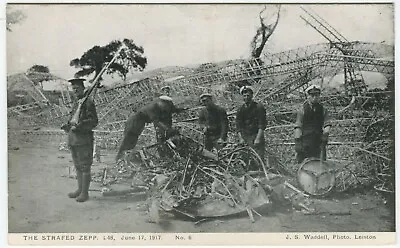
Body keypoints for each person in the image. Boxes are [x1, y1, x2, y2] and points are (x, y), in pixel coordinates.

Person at [61, 78, 98, 203]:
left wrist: (80, 125)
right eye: (74, 89)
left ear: (83, 88)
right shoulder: (77, 102)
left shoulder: (88, 103)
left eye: (77, 88)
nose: (75, 91)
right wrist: (67, 125)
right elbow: (72, 118)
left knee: (85, 166)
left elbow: (93, 121)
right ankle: (79, 189)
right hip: (74, 139)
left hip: (83, 139)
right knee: (77, 166)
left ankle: (84, 193)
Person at [116, 96, 184, 161]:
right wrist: (168, 129)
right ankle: (119, 158)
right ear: (160, 102)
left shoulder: (165, 106)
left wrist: (182, 109)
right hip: (135, 121)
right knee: (129, 139)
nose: (166, 108)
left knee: (132, 141)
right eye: (165, 106)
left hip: (141, 122)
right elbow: (156, 122)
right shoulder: (152, 107)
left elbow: (174, 109)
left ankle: (126, 158)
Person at [294, 84, 331, 164]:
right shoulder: (302, 110)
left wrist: (325, 135)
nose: (315, 97)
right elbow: (298, 126)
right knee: (304, 166)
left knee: (320, 165)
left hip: (319, 143)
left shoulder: (323, 110)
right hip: (305, 143)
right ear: (308, 96)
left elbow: (327, 124)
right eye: (312, 95)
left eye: (317, 95)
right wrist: (298, 142)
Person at [236, 85, 266, 160]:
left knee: (258, 158)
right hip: (246, 137)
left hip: (256, 135)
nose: (246, 97)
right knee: (246, 158)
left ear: (252, 95)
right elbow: (238, 126)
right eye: (244, 96)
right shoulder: (240, 109)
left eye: (248, 95)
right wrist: (241, 139)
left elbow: (262, 125)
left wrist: (258, 138)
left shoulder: (258, 107)